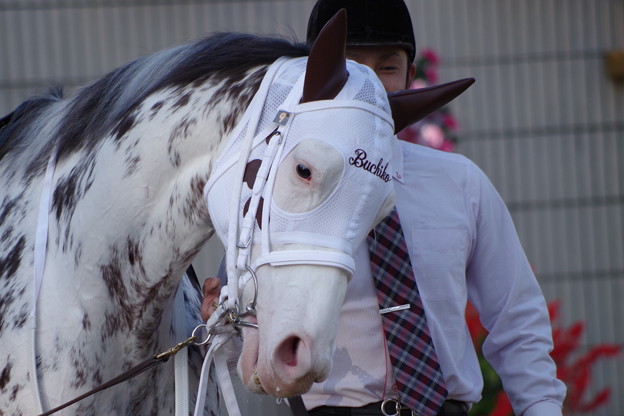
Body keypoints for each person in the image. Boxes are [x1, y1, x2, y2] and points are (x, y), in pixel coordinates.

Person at [203, 1, 566, 415]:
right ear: (310, 77)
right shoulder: (275, 188)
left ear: (412, 77)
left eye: (387, 67)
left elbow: (516, 318)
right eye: (350, 65)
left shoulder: (462, 182)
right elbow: (245, 345)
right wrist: (225, 324)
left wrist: (540, 408)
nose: (369, 84)